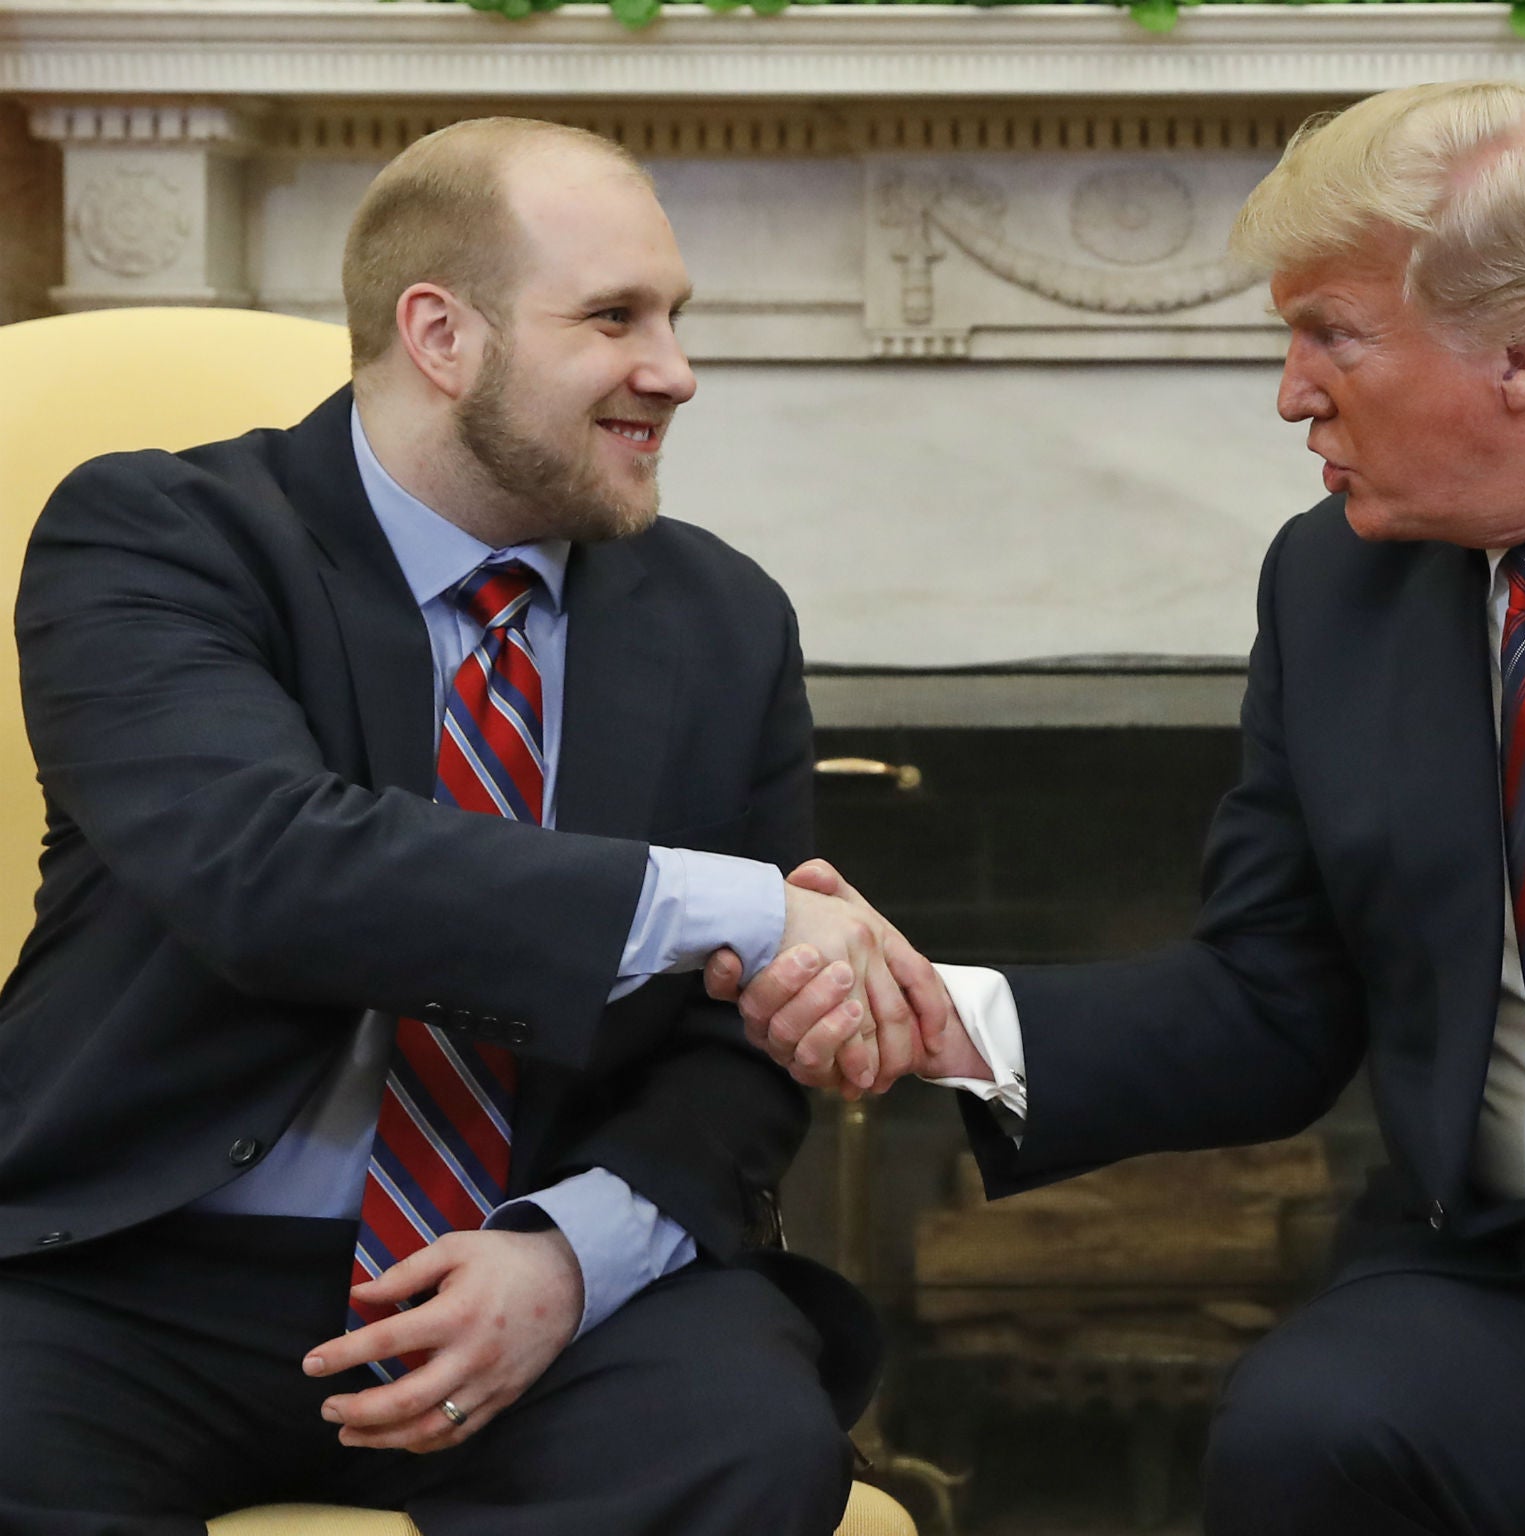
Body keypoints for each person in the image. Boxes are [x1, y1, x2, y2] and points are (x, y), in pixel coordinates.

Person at [714, 81, 1525, 1536]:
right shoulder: (1334, 585)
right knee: (1316, 1432)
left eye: (1330, 335)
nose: (1291, 390)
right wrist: (943, 1016)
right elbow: (1270, 1001)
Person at [0, 116, 914, 1535]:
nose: (674, 370)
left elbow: (737, 1039)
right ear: (441, 333)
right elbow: (272, 868)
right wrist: (743, 908)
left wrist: (574, 1253)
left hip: (529, 1263)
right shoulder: (160, 535)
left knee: (743, 1445)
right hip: (134, 1262)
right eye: (614, 317)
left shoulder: (722, 618)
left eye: (676, 317)